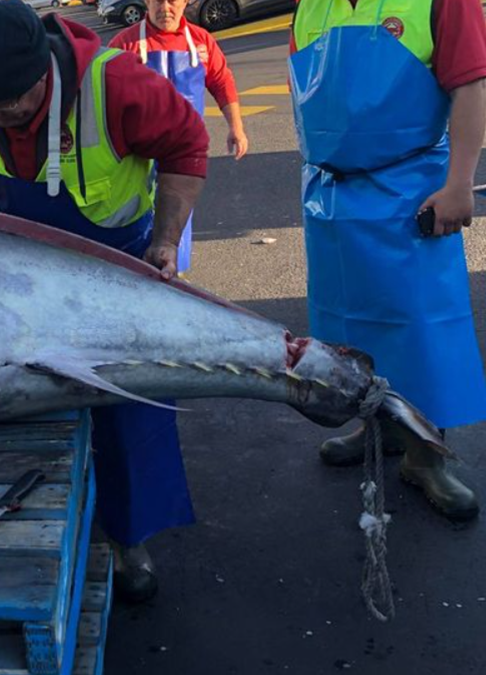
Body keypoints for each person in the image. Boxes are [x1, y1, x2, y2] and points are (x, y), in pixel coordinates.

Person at [0, 0, 208, 602]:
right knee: (31, 404)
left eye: (7, 105)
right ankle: (52, 530)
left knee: (127, 411)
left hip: (114, 268)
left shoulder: (114, 83)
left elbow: (186, 144)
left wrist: (166, 242)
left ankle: (128, 538)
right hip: (27, 274)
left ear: (42, 73)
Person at [290, 0, 486, 521]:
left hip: (411, 190)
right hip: (332, 196)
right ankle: (378, 428)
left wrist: (460, 183)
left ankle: (426, 453)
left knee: (419, 327)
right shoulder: (313, 6)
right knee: (347, 324)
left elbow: (468, 86)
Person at [109, 0, 247, 273]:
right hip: (138, 154)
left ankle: (176, 273)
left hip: (185, 152)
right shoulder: (124, 44)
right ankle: (134, 270)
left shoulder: (201, 41)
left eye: (172, 0)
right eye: (157, 1)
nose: (165, 8)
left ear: (185, 3)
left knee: (178, 214)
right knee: (137, 212)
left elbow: (221, 82)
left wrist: (236, 127)